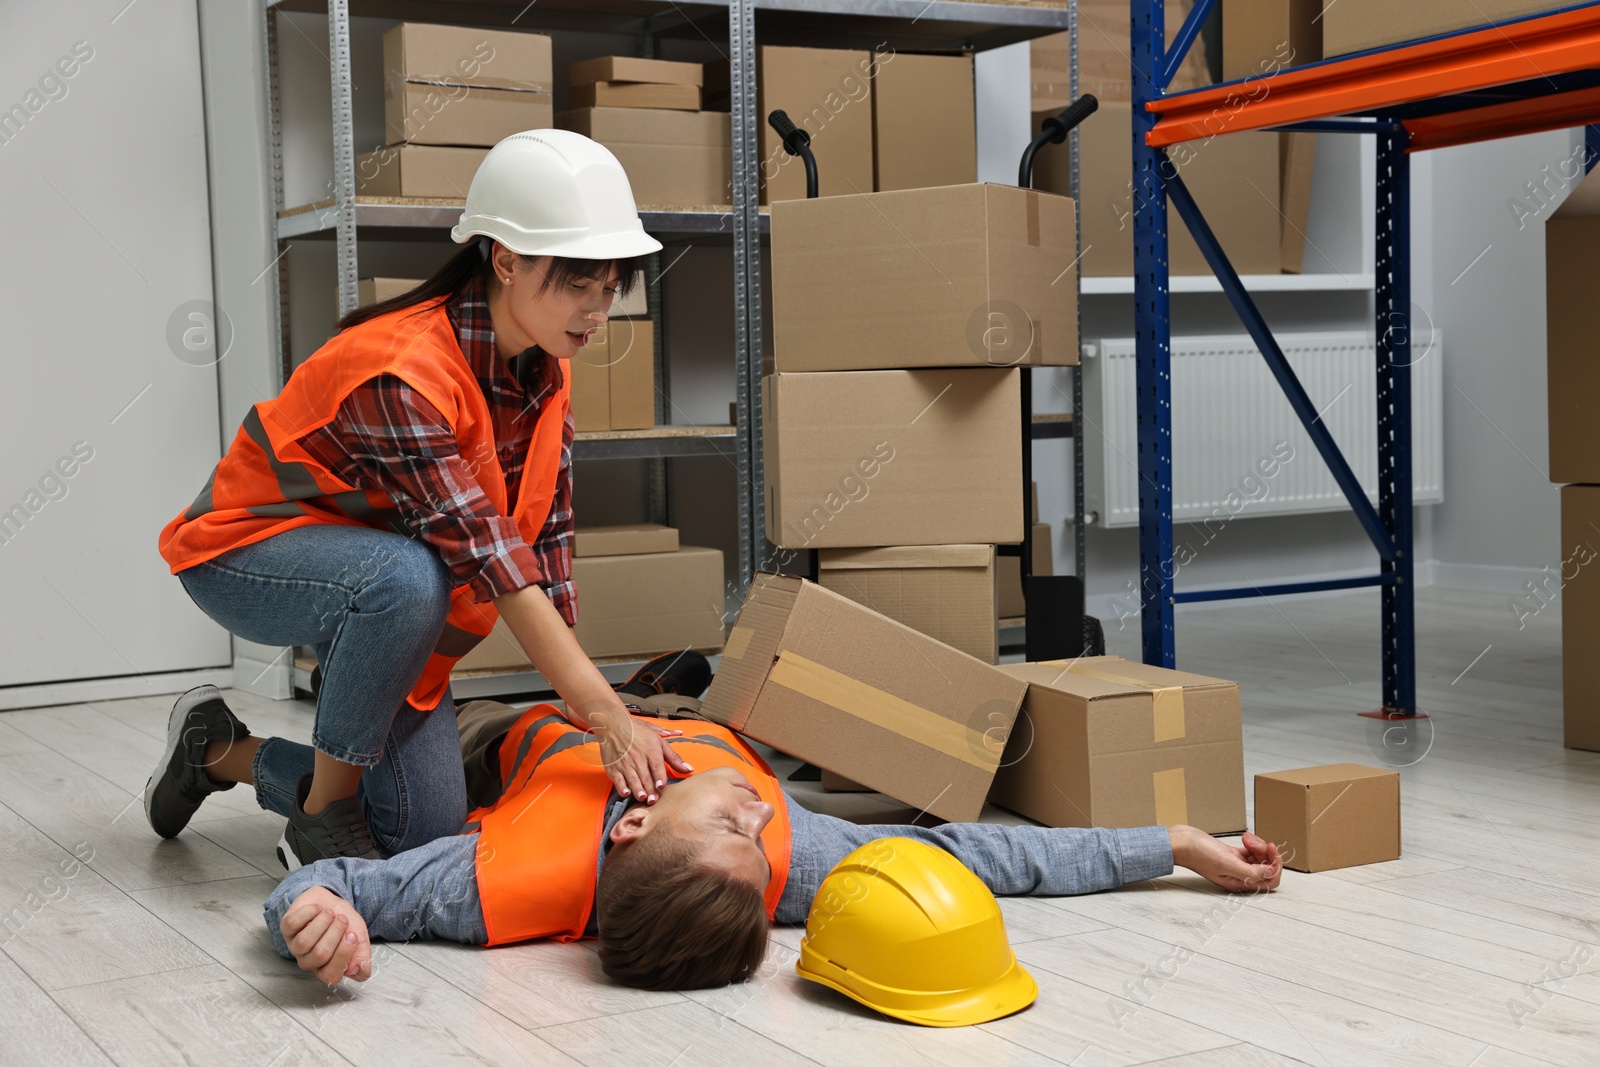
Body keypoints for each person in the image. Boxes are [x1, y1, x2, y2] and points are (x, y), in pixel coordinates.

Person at [145, 131, 685, 871]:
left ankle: (215, 751)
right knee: (404, 576)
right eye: (577, 282)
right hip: (243, 553)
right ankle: (322, 814)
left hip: (375, 586)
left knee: (418, 834)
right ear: (506, 258)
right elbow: (490, 558)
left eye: (610, 286)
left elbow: (546, 549)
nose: (598, 310)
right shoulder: (402, 371)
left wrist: (586, 713)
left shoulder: (544, 374)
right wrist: (606, 713)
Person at [262, 699, 1284, 990]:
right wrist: (1177, 841)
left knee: (378, 823)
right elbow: (992, 858)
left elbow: (329, 880)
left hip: (532, 737)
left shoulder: (476, 887)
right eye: (745, 830)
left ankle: (232, 753)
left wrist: (319, 914)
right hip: (563, 724)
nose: (760, 812)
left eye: (733, 825)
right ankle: (236, 753)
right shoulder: (796, 863)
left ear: (636, 822)